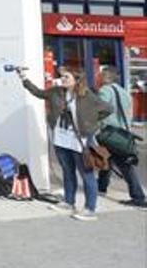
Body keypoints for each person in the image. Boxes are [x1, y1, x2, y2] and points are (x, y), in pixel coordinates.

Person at [19, 66, 112, 221]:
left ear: (77, 79)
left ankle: (90, 209)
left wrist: (89, 123)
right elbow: (38, 93)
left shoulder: (87, 96)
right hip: (61, 139)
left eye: (66, 77)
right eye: (62, 77)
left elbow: (108, 108)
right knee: (67, 172)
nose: (62, 79)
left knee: (86, 174)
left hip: (80, 140)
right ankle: (69, 202)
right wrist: (23, 78)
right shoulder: (56, 91)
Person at [96, 66, 146, 209]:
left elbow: (102, 109)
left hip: (110, 132)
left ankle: (139, 197)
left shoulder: (105, 90)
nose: (98, 77)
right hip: (122, 133)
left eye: (100, 75)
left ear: (105, 77)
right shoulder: (124, 92)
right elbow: (129, 113)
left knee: (122, 164)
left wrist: (97, 122)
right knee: (106, 158)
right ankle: (102, 187)